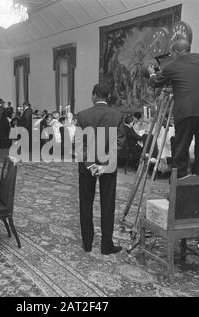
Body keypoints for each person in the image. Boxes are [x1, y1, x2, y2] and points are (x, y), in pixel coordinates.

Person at [149, 39, 199, 178]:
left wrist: (151, 72)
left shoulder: (173, 65)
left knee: (181, 150)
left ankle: (180, 187)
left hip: (185, 112)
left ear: (175, 52)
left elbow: (156, 82)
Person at [76, 83, 126, 255]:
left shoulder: (82, 115)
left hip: (86, 167)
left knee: (86, 204)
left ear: (94, 96)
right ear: (108, 96)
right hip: (108, 166)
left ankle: (87, 244)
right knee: (107, 205)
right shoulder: (117, 115)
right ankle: (106, 246)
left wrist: (90, 164)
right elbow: (118, 144)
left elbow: (79, 145)